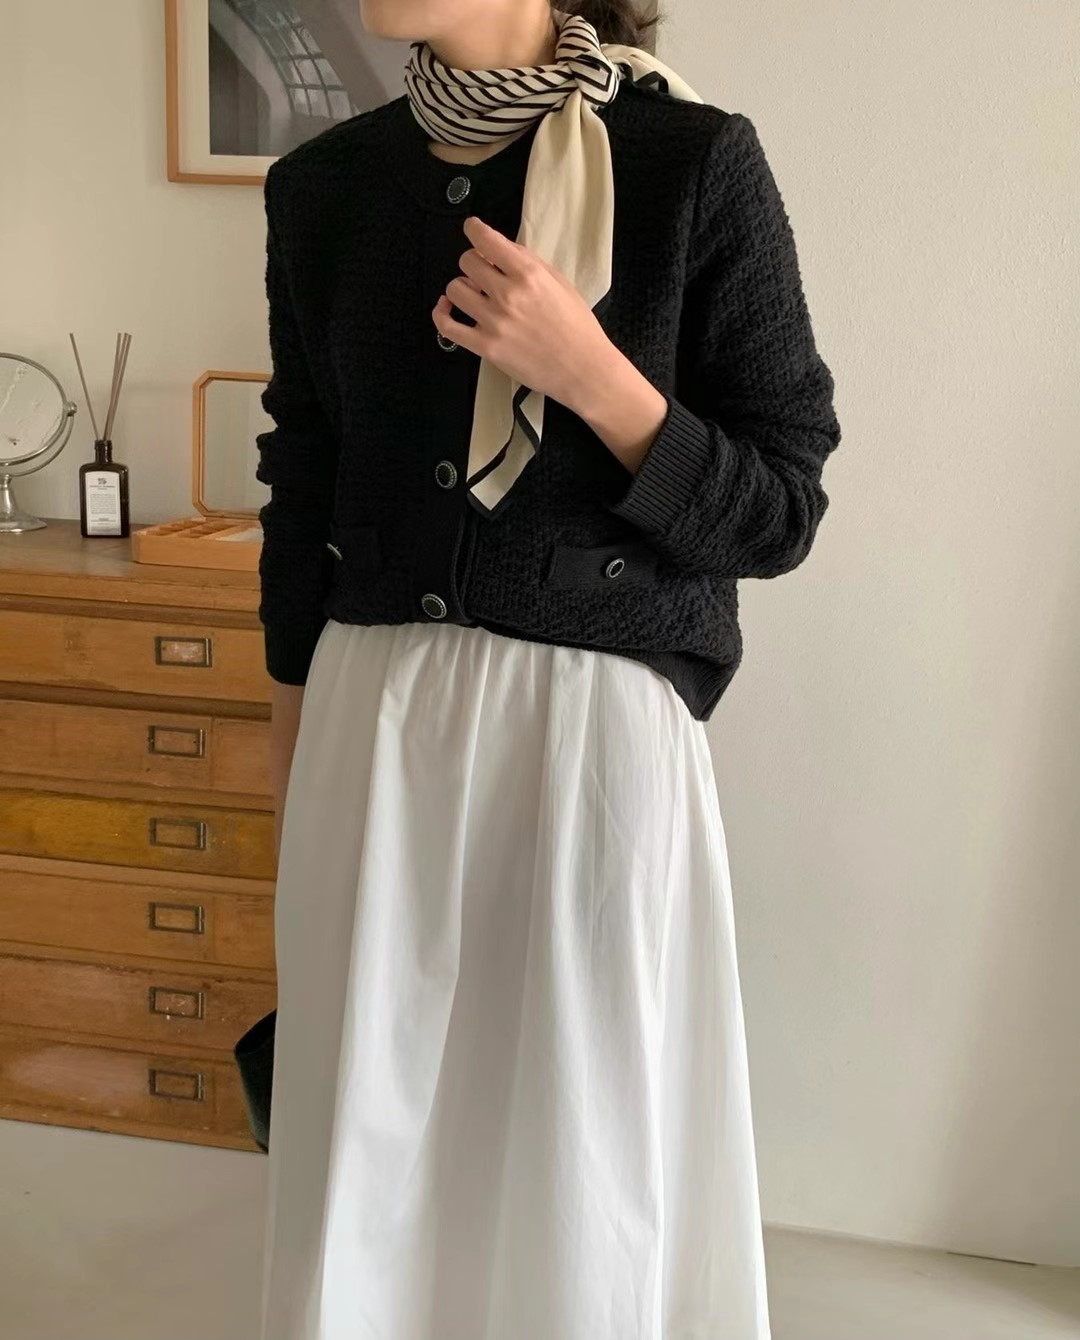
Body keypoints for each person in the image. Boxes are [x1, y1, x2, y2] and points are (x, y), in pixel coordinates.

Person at [255, 2, 841, 1337]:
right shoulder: (325, 187)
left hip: (590, 744)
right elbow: (302, 490)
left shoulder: (690, 164)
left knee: (583, 1147)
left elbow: (778, 511)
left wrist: (593, 376)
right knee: (373, 1146)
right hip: (370, 731)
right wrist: (292, 754)